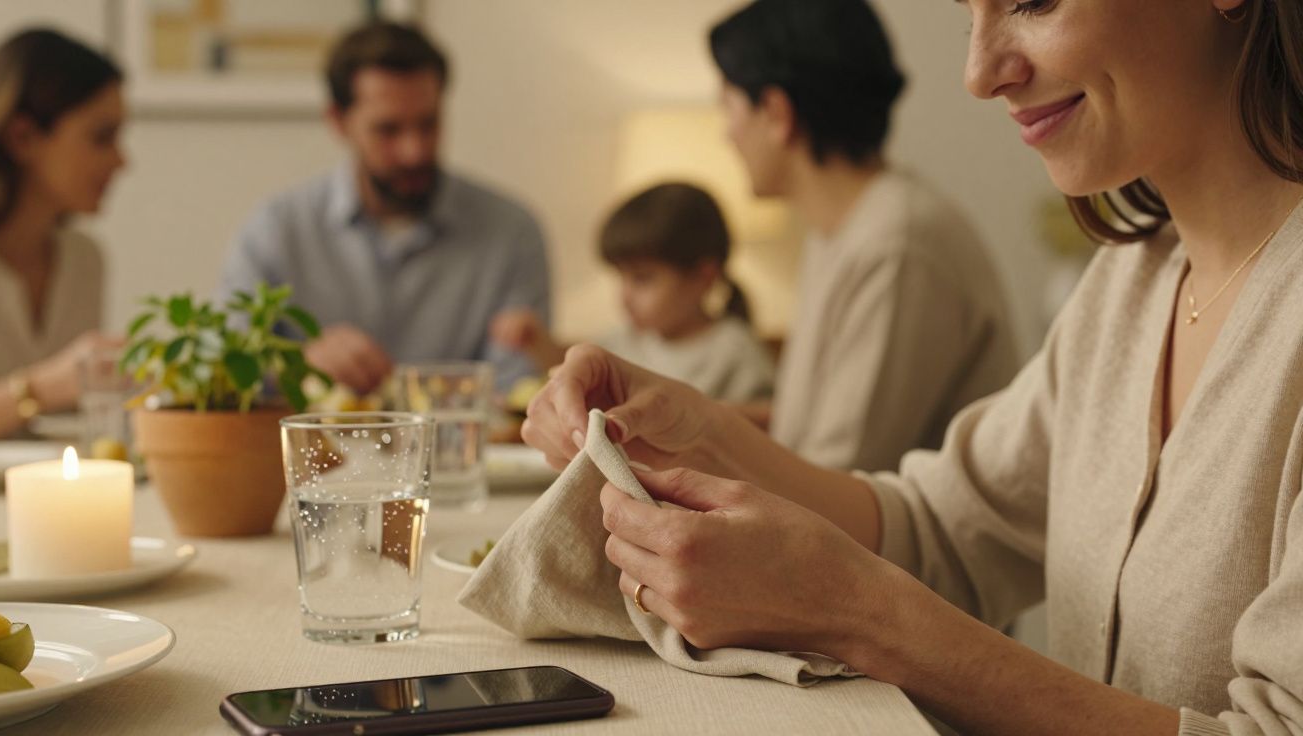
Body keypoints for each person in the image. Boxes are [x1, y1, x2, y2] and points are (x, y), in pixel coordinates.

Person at [521, 0, 1303, 733]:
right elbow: (940, 527)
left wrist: (858, 616)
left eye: (1031, 1)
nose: (979, 73)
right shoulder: (1132, 282)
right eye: (969, 13)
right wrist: (699, 430)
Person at [710, 0, 1019, 473]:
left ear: (776, 113)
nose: (725, 135)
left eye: (727, 107)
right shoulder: (843, 229)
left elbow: (840, 475)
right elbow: (812, 432)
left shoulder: (896, 245)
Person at [220, 21, 550, 394]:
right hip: (314, 452)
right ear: (339, 122)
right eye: (388, 130)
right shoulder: (276, 230)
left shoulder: (511, 232)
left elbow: (515, 391)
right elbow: (229, 371)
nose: (415, 150)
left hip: (463, 451)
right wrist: (301, 363)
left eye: (429, 124)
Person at [491, 182, 775, 404]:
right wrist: (537, 342)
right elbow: (574, 365)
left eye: (642, 279)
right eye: (621, 278)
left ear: (703, 276)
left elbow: (765, 428)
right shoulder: (628, 340)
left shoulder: (734, 352)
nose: (625, 296)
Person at [0, 29, 126, 440]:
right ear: (24, 137)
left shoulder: (84, 259)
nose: (121, 160)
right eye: (101, 136)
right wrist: (43, 388)